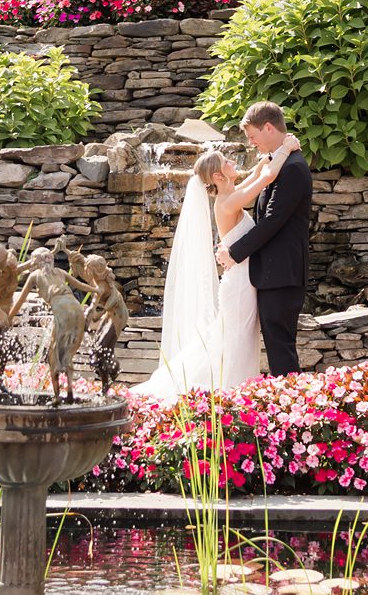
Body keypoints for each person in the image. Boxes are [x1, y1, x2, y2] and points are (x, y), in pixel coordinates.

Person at [133, 143, 286, 401]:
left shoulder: (230, 194)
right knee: (235, 343)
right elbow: (267, 178)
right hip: (239, 285)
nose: (232, 163)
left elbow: (255, 177)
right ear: (217, 176)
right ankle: (229, 396)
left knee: (239, 341)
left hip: (242, 281)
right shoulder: (227, 202)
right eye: (226, 162)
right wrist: (285, 148)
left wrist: (264, 160)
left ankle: (234, 395)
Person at [217, 101, 312, 376]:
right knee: (276, 345)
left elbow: (272, 222)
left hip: (282, 273)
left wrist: (233, 253)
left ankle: (293, 409)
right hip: (273, 272)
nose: (251, 143)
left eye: (252, 136)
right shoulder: (281, 161)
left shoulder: (292, 168)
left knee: (280, 347)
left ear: (268, 127)